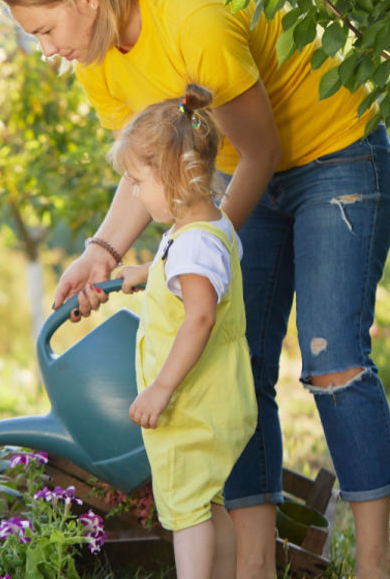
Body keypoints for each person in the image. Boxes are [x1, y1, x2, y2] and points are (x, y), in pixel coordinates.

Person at [0, 0, 390, 577]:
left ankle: (374, 563)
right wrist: (101, 251)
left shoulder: (191, 19)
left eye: (45, 30)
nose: (46, 50)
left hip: (334, 153)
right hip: (238, 173)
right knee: (235, 363)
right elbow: (147, 168)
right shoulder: (96, 62)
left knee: (332, 358)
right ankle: (254, 564)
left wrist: (194, 249)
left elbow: (260, 152)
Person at [112, 85, 257, 579]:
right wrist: (147, 272)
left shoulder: (193, 247)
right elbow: (192, 276)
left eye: (138, 181)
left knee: (186, 510)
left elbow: (199, 317)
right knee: (208, 500)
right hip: (218, 400)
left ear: (174, 175)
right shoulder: (208, 227)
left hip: (191, 406)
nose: (134, 193)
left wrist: (161, 388)